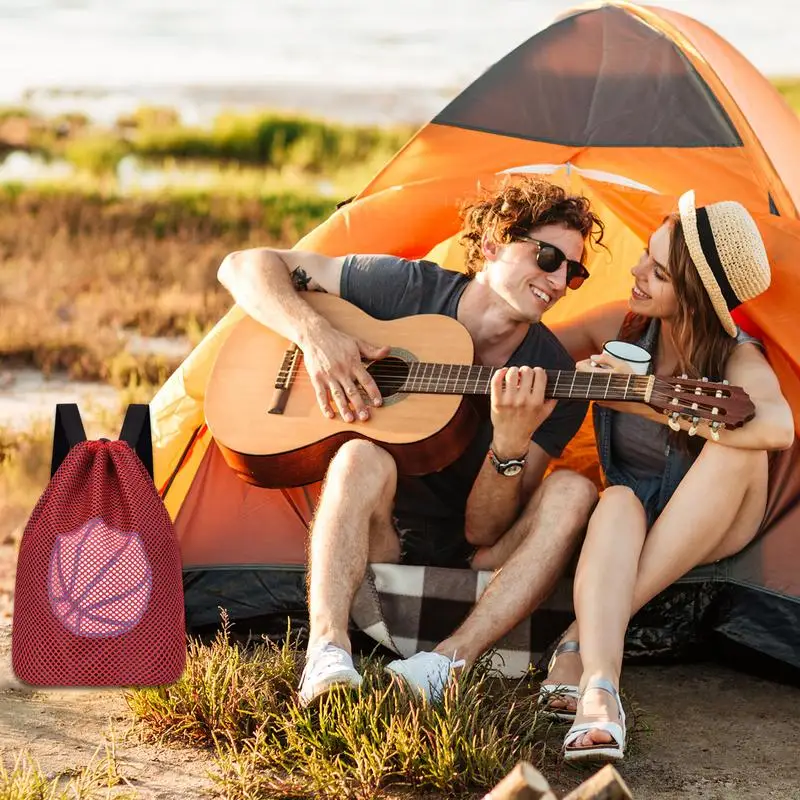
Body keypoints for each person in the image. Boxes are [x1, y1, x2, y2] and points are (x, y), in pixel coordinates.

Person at [216, 177, 604, 707]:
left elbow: (484, 529)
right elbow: (243, 264)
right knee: (359, 453)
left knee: (575, 492)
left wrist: (509, 444)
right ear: (492, 245)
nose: (558, 280)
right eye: (547, 256)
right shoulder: (406, 291)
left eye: (573, 271)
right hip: (380, 540)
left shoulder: (554, 373)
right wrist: (317, 337)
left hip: (475, 558)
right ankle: (327, 652)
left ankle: (445, 664)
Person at [540, 191, 794, 762]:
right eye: (645, 259)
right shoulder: (623, 327)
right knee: (617, 499)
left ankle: (579, 636)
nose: (635, 273)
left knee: (740, 446)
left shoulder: (736, 357)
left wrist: (645, 405)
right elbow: (527, 353)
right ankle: (600, 689)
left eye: (657, 271)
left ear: (698, 296)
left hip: (717, 516)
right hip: (637, 507)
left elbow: (778, 429)